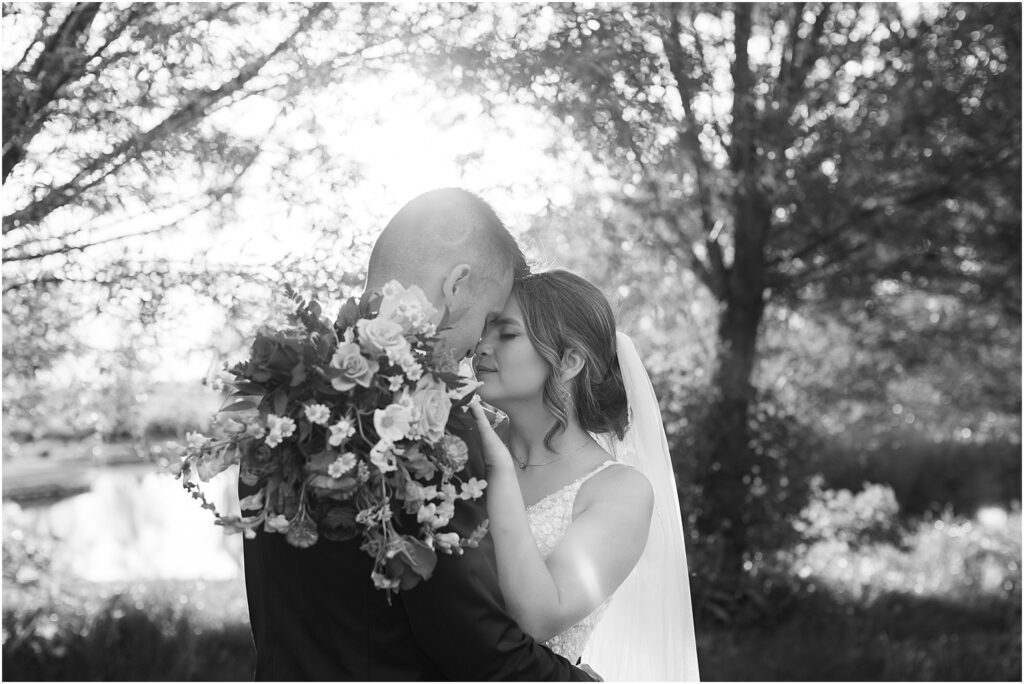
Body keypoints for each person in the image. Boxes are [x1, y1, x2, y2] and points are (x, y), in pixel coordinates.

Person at [240, 189, 594, 680]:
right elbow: (475, 643)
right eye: (489, 319)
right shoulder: (429, 419)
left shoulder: (279, 400)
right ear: (457, 286)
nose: (477, 346)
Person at [469, 269, 701, 681]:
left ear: (571, 360)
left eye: (506, 334)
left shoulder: (619, 492)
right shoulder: (459, 443)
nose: (481, 347)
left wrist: (499, 468)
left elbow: (539, 618)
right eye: (484, 329)